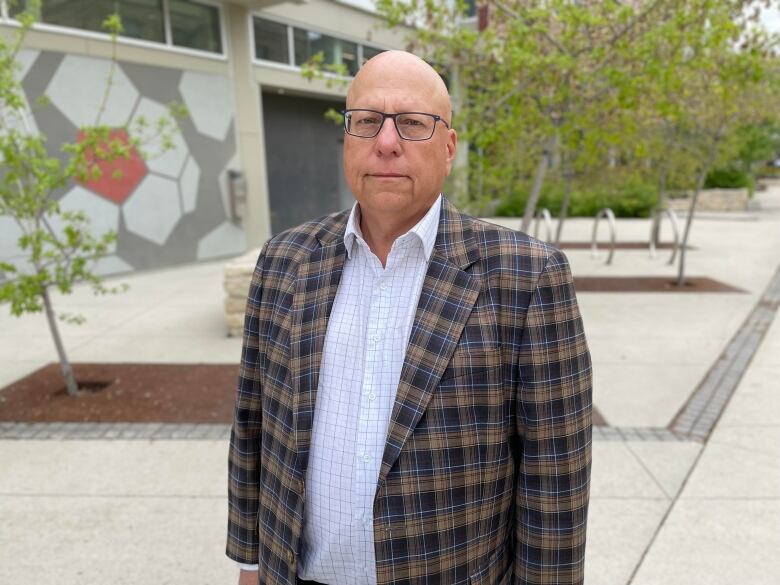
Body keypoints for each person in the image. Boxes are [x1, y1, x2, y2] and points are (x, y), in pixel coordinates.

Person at [227, 50, 592, 585]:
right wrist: (251, 564)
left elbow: (554, 476)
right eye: (367, 122)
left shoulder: (526, 277)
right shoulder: (284, 261)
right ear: (347, 140)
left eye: (413, 124)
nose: (387, 142)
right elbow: (254, 425)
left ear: (448, 148)